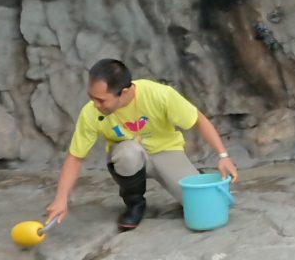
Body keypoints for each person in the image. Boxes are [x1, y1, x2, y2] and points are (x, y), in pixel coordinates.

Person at [45, 58, 238, 231]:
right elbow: (75, 157)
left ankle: (190, 177)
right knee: (129, 152)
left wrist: (223, 156)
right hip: (128, 157)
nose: (95, 104)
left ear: (125, 92)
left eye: (101, 100)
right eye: (92, 97)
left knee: (202, 206)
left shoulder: (159, 95)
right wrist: (61, 199)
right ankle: (135, 204)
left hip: (166, 151)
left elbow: (198, 119)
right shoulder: (91, 112)